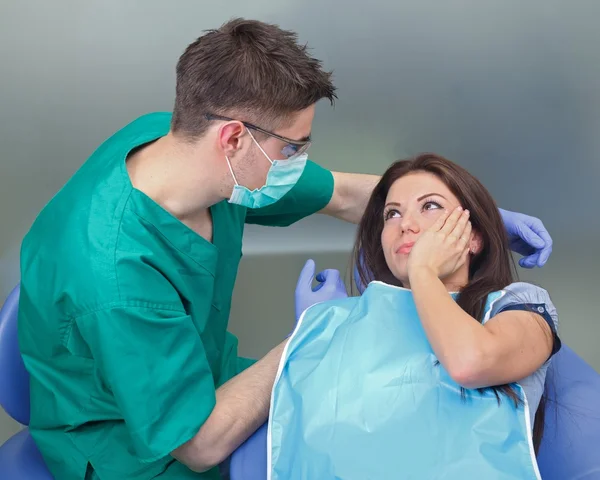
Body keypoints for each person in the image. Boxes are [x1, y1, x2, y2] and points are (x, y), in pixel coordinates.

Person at [16, 19, 551, 480]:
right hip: (130, 442)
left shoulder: (181, 145)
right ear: (232, 139)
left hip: (199, 371)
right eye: (291, 148)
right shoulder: (119, 280)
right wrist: (309, 337)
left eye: (428, 212)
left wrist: (479, 211)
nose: (408, 225)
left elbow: (343, 194)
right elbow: (198, 444)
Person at [268, 153, 560, 479]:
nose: (405, 224)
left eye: (431, 206)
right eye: (392, 214)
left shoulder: (517, 304)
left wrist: (423, 270)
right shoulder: (342, 323)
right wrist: (316, 338)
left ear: (474, 237)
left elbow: (469, 362)